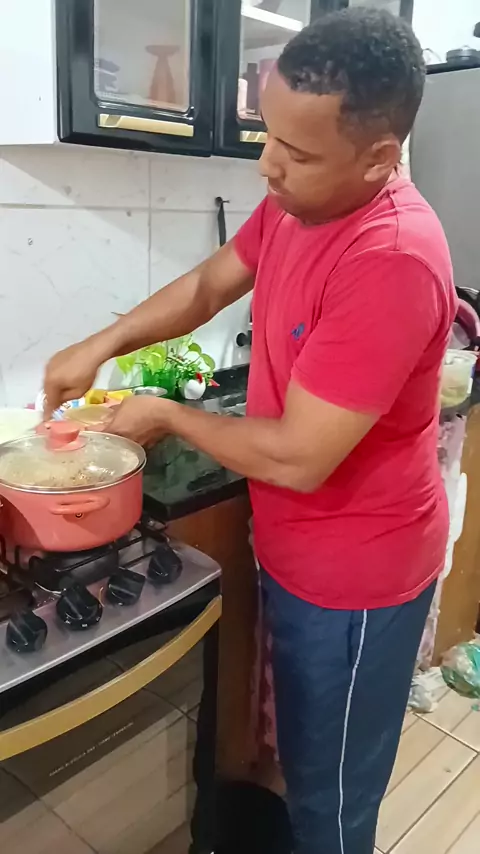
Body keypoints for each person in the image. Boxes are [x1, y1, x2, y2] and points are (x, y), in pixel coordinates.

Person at [43, 8, 456, 854]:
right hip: (297, 553)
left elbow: (300, 458)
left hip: (358, 580)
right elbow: (206, 287)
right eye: (269, 136)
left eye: (296, 153)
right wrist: (103, 342)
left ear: (379, 157)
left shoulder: (391, 257)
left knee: (330, 803)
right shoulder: (298, 205)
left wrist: (165, 413)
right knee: (301, 765)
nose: (268, 165)